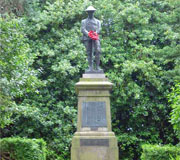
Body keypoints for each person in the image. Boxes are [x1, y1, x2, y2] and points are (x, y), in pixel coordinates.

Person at [81, 6, 102, 72]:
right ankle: (90, 67)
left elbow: (99, 29)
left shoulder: (98, 21)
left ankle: (98, 67)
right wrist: (89, 34)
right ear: (87, 13)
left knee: (98, 51)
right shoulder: (84, 21)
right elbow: (83, 29)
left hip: (95, 38)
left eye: (92, 12)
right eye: (89, 12)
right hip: (87, 38)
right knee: (89, 52)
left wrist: (94, 34)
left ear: (94, 12)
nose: (91, 13)